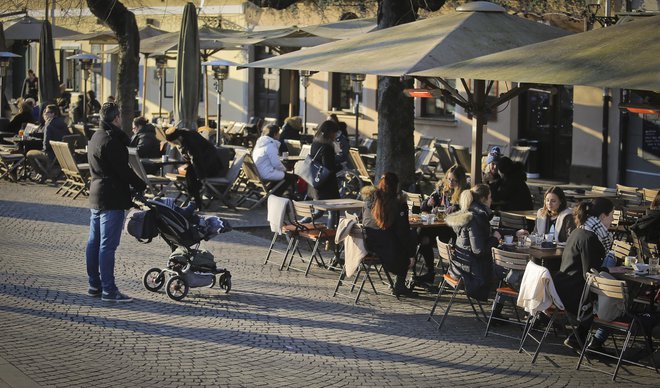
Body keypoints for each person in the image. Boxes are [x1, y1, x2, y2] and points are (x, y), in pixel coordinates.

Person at [86, 102, 146, 302]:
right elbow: (124, 171)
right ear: (116, 119)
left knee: (94, 243)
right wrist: (141, 184)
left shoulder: (96, 136)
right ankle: (109, 290)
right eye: (120, 116)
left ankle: (94, 284)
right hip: (112, 197)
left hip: (96, 194)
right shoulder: (112, 141)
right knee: (107, 246)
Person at [553, 197, 614, 349]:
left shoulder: (580, 230)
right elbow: (590, 274)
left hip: (563, 286)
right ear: (602, 217)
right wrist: (611, 270)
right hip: (575, 295)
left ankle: (578, 337)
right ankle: (594, 342)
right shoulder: (590, 237)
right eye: (612, 215)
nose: (613, 220)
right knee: (617, 304)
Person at [362, 172, 417, 297]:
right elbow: (403, 233)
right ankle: (401, 284)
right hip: (389, 253)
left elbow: (364, 221)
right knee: (412, 237)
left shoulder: (369, 200)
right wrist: (411, 254)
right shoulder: (397, 204)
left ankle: (400, 284)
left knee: (405, 238)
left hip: (368, 245)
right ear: (396, 186)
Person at [413, 164, 469, 284]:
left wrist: (455, 208)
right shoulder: (443, 189)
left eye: (454, 180)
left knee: (422, 234)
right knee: (421, 233)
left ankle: (430, 272)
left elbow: (465, 210)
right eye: (449, 179)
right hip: (439, 224)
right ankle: (430, 271)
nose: (451, 182)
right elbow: (423, 206)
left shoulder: (464, 193)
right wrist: (428, 202)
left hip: (453, 229)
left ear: (460, 181)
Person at [445, 184, 501, 301]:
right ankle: (496, 315)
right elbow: (479, 251)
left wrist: (511, 233)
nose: (491, 200)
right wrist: (495, 239)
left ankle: (496, 314)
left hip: (457, 269)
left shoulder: (468, 213)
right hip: (471, 276)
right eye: (490, 197)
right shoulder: (477, 218)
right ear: (483, 199)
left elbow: (482, 235)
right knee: (504, 273)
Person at [165, 127, 229, 209]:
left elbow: (195, 159)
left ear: (179, 138)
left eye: (175, 142)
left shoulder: (189, 142)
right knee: (190, 176)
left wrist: (201, 177)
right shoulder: (187, 136)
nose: (176, 144)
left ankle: (195, 202)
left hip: (211, 165)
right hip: (206, 163)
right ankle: (195, 200)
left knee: (191, 177)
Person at [301, 120, 341, 226]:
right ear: (329, 132)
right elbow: (328, 167)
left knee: (318, 211)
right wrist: (338, 165)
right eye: (334, 132)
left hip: (315, 183)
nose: (336, 135)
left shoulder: (315, 142)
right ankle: (332, 234)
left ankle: (301, 223)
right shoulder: (327, 147)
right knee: (334, 211)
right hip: (327, 185)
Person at [25, 104, 68, 182]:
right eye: (44, 112)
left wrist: (42, 150)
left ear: (53, 114)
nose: (45, 114)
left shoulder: (48, 125)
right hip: (61, 154)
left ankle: (42, 173)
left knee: (29, 154)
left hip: (50, 155)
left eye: (47, 112)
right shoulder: (63, 123)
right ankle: (45, 172)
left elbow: (46, 145)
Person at [252, 124, 297, 198]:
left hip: (258, 172)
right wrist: (284, 169)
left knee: (282, 176)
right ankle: (274, 196)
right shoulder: (270, 145)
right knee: (290, 177)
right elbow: (276, 163)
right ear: (275, 134)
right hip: (266, 173)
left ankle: (270, 194)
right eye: (278, 133)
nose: (279, 135)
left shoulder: (261, 143)